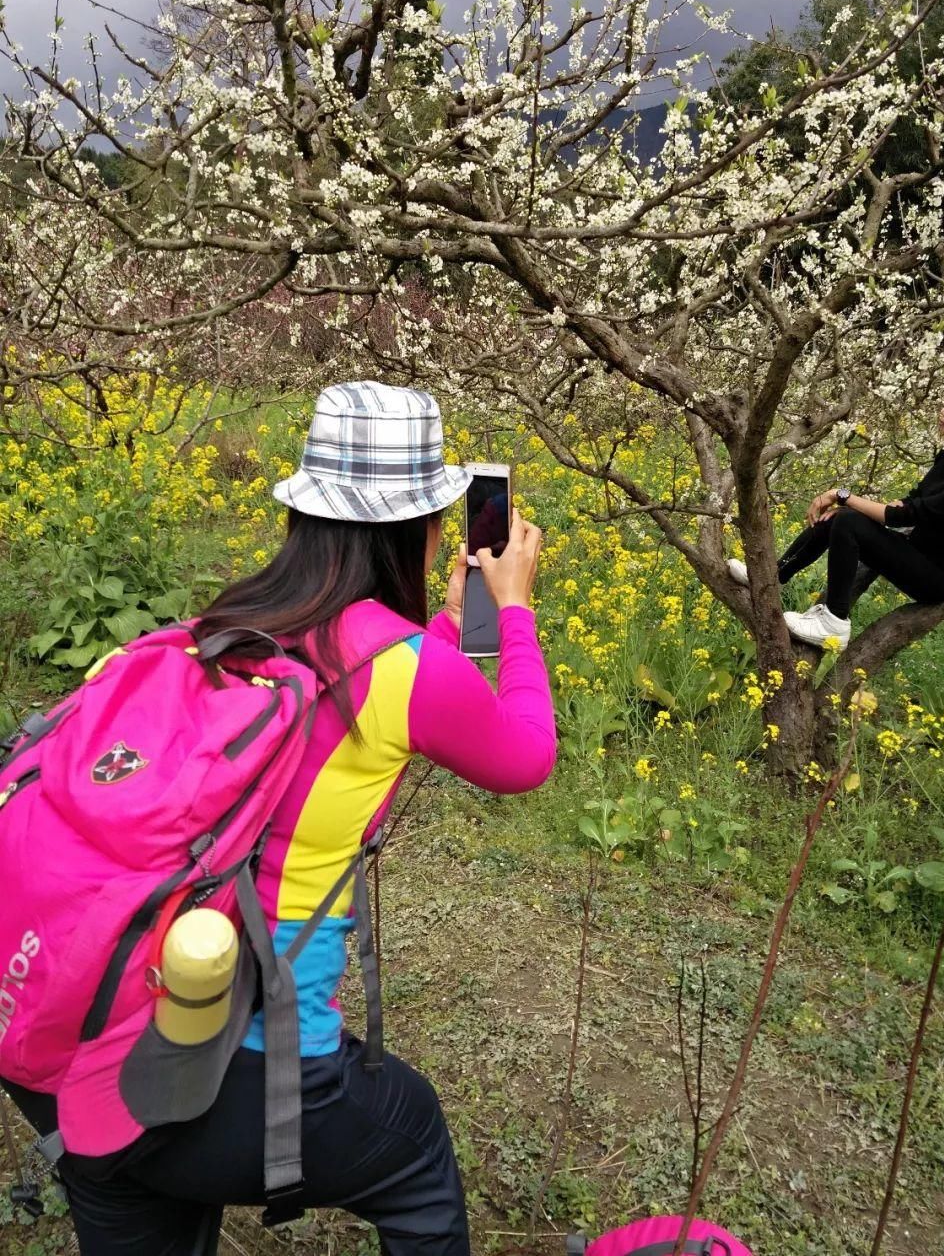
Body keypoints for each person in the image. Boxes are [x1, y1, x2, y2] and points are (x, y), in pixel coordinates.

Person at [2, 380, 555, 1255]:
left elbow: (357, 692)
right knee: (412, 1145)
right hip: (229, 1072)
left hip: (85, 1041)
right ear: (420, 526)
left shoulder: (240, 620)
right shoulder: (406, 671)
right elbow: (526, 753)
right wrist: (512, 609)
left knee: (154, 1201)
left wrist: (442, 628)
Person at [727, 373, 944, 650]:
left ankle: (834, 623)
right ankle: (773, 576)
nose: (942, 411)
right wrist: (857, 507)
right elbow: (910, 502)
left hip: (939, 578)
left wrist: (842, 496)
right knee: (840, 517)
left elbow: (902, 516)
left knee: (848, 519)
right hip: (917, 551)